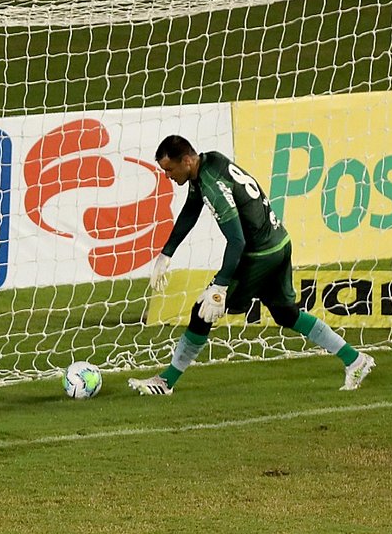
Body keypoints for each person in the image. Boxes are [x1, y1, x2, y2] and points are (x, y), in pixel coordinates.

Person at [128, 135, 375, 396]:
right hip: (280, 242)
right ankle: (355, 359)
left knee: (203, 311)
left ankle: (166, 381)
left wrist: (220, 286)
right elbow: (191, 208)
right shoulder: (210, 162)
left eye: (169, 169)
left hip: (259, 253)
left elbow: (237, 241)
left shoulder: (212, 185)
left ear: (187, 161)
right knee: (285, 314)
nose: (167, 175)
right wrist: (166, 254)